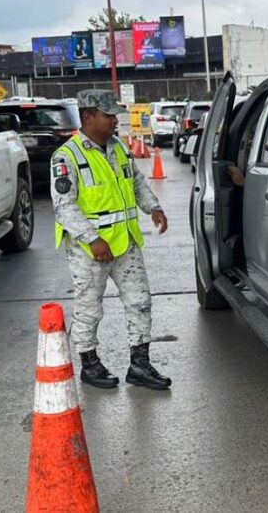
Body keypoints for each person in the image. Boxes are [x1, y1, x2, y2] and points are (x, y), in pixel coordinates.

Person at [50, 89, 172, 390]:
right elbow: (64, 206)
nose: (115, 121)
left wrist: (153, 207)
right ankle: (89, 364)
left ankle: (140, 365)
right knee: (89, 307)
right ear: (88, 117)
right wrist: (92, 240)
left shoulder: (118, 148)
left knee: (140, 302)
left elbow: (137, 181)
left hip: (125, 242)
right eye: (108, 115)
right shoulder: (67, 156)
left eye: (115, 115)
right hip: (89, 250)